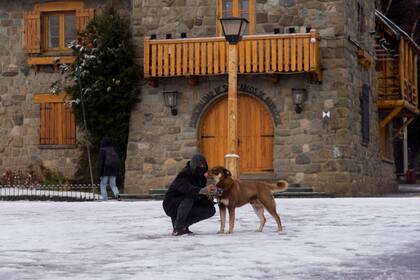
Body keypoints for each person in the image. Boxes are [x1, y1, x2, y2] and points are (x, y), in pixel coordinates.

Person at [163, 153, 217, 236]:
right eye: (200, 166)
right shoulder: (184, 175)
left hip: (187, 203)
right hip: (171, 204)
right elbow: (187, 189)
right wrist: (203, 190)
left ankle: (184, 226)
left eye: (204, 166)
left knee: (210, 210)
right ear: (194, 166)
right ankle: (177, 228)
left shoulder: (201, 178)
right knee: (188, 199)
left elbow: (199, 195)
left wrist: (208, 197)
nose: (202, 169)